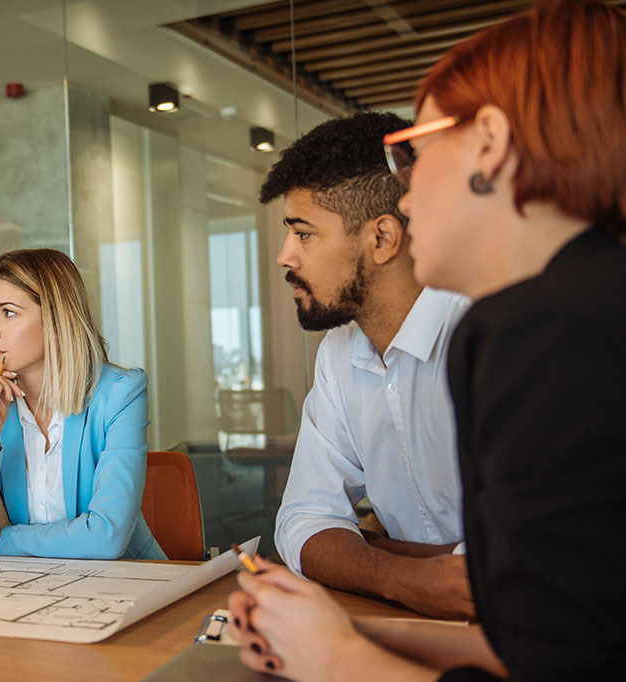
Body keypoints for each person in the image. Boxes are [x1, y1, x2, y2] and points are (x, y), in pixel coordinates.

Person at [227, 1, 626, 679]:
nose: (407, 194)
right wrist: (342, 628)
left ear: (490, 144)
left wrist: (336, 654)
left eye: (418, 149)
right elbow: (555, 644)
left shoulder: (542, 329)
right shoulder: (576, 304)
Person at [261, 112, 472, 619]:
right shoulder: (340, 354)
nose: (284, 257)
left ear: (382, 238)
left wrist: (365, 547)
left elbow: (511, 567)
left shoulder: (483, 333)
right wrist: (403, 573)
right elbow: (302, 521)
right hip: (406, 624)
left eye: (304, 234)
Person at [0, 248, 165, 559]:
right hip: (22, 591)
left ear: (57, 319)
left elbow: (106, 539)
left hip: (124, 588)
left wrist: (5, 539)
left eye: (8, 312)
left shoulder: (119, 395)